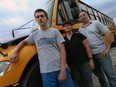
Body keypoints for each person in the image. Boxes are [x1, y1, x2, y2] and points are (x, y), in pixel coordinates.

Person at [10, 9, 74, 87]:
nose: (40, 18)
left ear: (47, 18)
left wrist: (63, 69)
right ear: (36, 20)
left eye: (42, 16)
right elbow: (23, 42)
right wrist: (15, 50)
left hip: (60, 68)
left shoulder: (55, 31)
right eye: (37, 17)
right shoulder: (35, 35)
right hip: (46, 71)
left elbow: (62, 50)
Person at [79, 11, 116, 87]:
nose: (82, 16)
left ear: (87, 15)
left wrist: (107, 48)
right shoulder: (80, 30)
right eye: (81, 16)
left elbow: (108, 32)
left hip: (102, 53)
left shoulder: (95, 23)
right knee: (100, 77)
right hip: (91, 57)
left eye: (84, 15)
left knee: (110, 74)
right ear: (80, 19)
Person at [62, 20, 94, 87]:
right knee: (79, 82)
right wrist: (67, 65)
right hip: (73, 66)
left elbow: (87, 48)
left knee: (88, 81)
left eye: (68, 25)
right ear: (63, 28)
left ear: (71, 26)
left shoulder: (79, 35)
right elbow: (63, 54)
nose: (66, 27)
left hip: (84, 63)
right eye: (65, 26)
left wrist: (91, 60)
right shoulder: (63, 40)